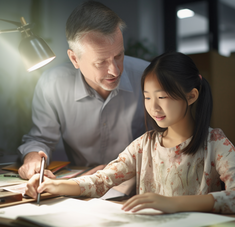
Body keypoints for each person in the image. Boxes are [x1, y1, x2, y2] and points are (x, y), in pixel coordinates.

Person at [25, 52, 235, 214]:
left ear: (191, 96)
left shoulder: (214, 142)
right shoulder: (144, 145)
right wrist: (54, 186)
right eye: (147, 97)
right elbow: (102, 180)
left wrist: (174, 204)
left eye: (163, 97)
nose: (154, 107)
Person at [17, 1, 149, 180]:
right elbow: (41, 139)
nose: (115, 71)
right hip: (81, 185)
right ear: (74, 59)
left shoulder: (146, 77)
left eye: (119, 56)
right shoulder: (53, 84)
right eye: (101, 62)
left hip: (138, 182)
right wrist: (33, 157)